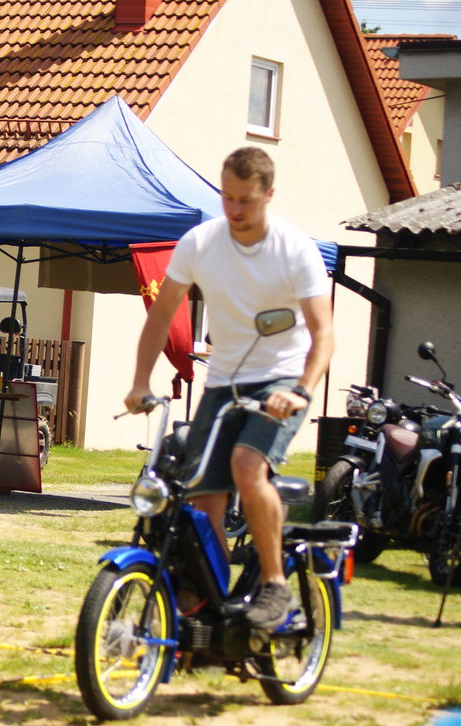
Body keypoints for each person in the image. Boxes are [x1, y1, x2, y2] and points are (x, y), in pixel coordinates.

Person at [125, 146, 333, 629]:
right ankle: (213, 604)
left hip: (282, 378)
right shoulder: (200, 243)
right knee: (203, 499)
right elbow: (162, 314)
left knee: (246, 466)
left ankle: (275, 584)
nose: (235, 209)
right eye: (227, 197)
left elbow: (323, 333)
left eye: (246, 200)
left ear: (269, 195)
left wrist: (301, 391)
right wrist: (139, 381)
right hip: (224, 381)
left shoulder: (294, 249)